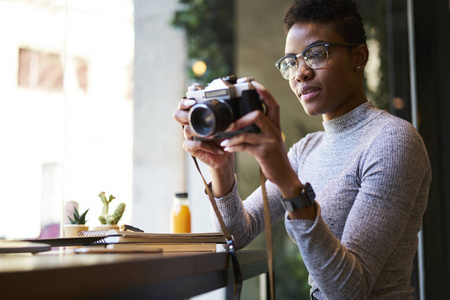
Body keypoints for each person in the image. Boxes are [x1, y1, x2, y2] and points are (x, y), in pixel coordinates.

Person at [173, 0, 431, 298]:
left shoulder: (393, 141)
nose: (301, 72)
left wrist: (288, 182)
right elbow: (238, 233)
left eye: (316, 54)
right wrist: (219, 166)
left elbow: (348, 290)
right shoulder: (307, 149)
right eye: (291, 62)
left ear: (358, 57)